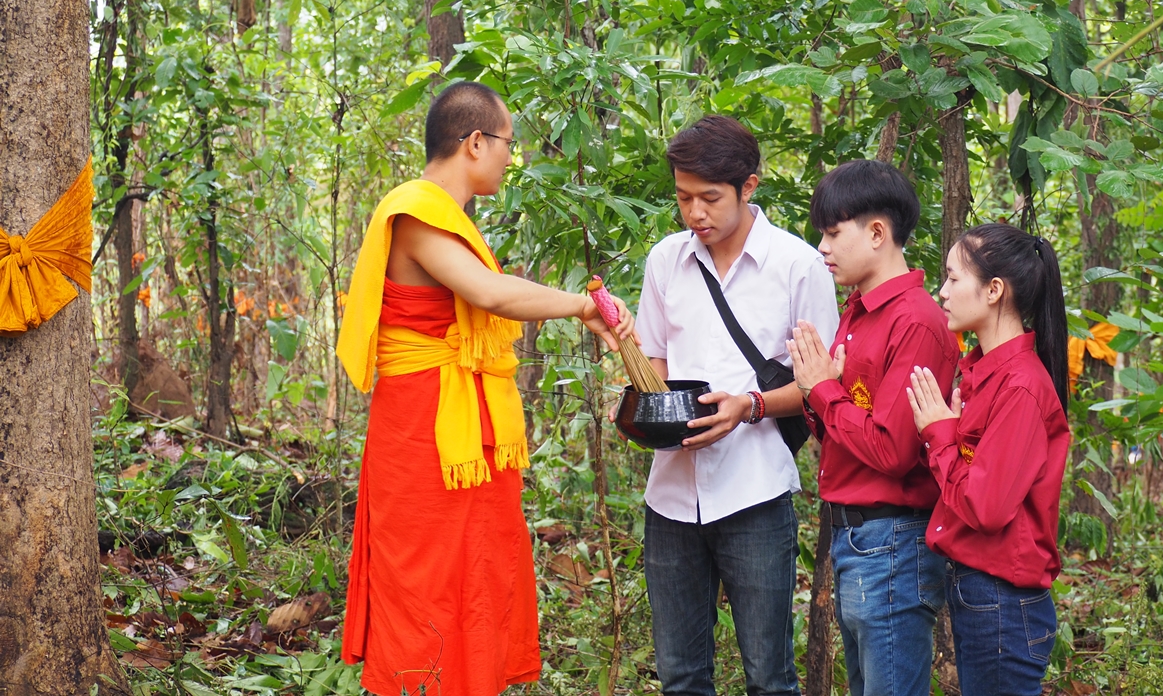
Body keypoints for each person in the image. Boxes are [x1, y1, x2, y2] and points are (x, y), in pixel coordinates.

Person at [337, 80, 634, 696]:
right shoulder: (413, 211)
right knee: (425, 583)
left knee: (475, 573)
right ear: (475, 142)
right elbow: (490, 294)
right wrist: (584, 305)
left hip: (465, 437)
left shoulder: (450, 223)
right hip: (423, 436)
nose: (509, 156)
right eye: (506, 144)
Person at [632, 115, 839, 696]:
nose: (695, 213)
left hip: (755, 492)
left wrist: (748, 405)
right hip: (671, 495)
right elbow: (654, 365)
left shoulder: (798, 266)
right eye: (683, 198)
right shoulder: (665, 261)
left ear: (750, 187)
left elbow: (822, 385)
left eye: (709, 198)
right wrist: (646, 409)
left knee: (769, 676)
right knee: (680, 675)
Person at [787, 160, 958, 696]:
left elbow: (891, 450)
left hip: (892, 540)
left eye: (834, 233)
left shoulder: (915, 321)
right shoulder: (858, 312)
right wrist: (820, 392)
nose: (823, 247)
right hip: (857, 538)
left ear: (878, 233)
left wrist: (822, 389)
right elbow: (843, 431)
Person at [905, 223, 1071, 696]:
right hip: (983, 591)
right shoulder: (983, 374)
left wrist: (939, 434)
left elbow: (987, 506)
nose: (942, 291)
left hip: (1002, 598)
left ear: (994, 290)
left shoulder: (1019, 387)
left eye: (954, 279)